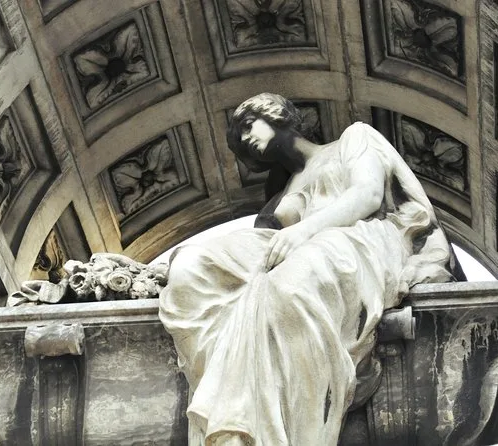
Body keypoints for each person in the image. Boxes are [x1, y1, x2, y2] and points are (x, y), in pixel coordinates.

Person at [158, 93, 453, 445]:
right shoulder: (278, 190)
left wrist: (303, 230)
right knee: (191, 267)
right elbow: (267, 242)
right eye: (239, 140)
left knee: (291, 283)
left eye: (249, 126)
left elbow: (368, 195)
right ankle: (226, 403)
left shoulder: (353, 138)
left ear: (275, 114)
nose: (246, 139)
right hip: (298, 250)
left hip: (355, 238)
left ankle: (269, 432)